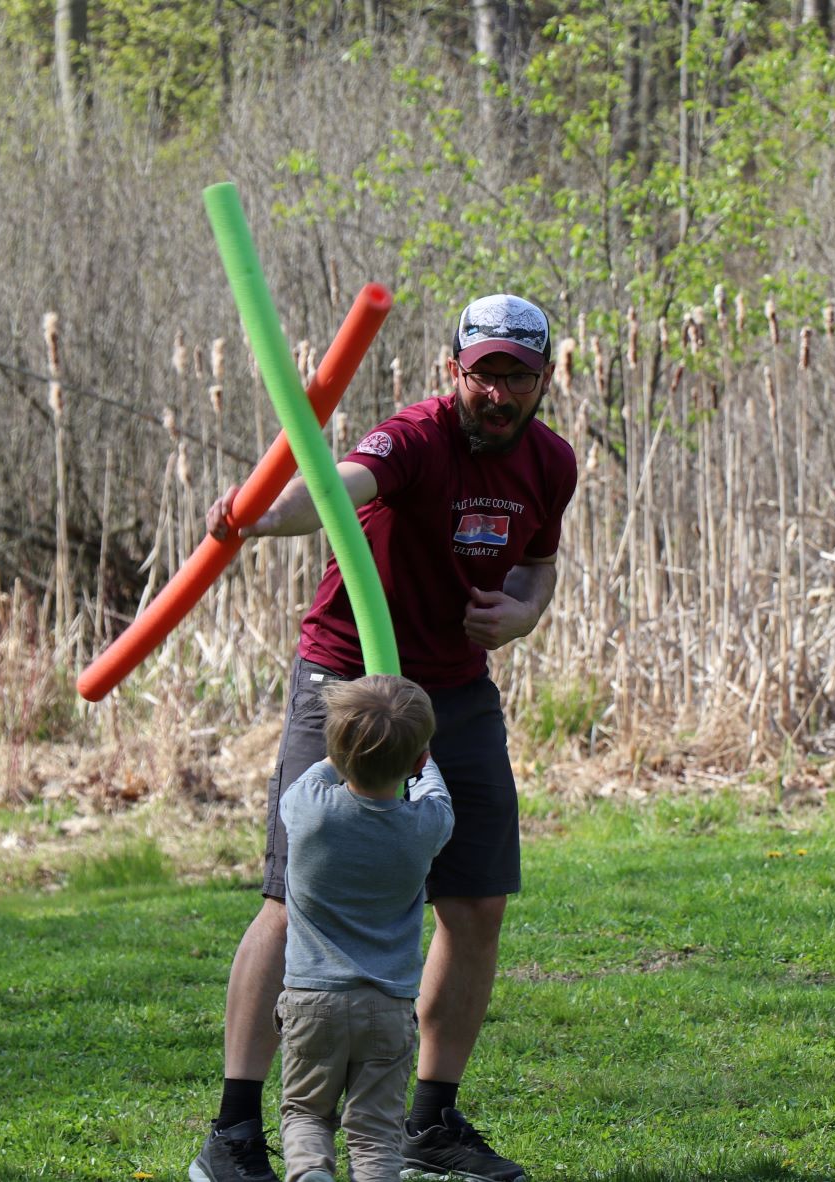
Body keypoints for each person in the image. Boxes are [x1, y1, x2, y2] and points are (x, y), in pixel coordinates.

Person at [189, 293, 577, 1182]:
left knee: (477, 903)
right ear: (454, 374)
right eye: (483, 374)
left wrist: (520, 612)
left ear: (542, 380)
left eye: (516, 376)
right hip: (351, 686)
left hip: (454, 692)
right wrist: (252, 514)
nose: (499, 392)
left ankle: (430, 1122)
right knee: (292, 901)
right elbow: (331, 492)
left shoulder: (550, 462)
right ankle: (235, 1133)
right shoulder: (412, 438)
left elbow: (541, 563)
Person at [272, 675, 454, 1182]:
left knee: (307, 1114)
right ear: (417, 761)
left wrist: (348, 746)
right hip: (388, 1005)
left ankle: (310, 1175)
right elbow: (436, 795)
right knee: (375, 1132)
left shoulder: (309, 811)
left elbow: (320, 770)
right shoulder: (424, 827)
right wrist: (420, 755)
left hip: (312, 999)